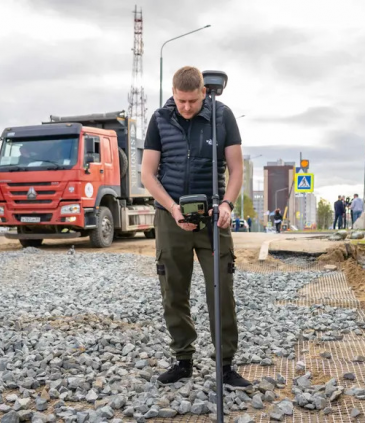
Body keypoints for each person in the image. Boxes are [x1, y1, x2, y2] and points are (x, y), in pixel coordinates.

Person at [140, 66, 251, 389]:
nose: (186, 107)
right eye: (180, 100)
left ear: (204, 91)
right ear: (173, 94)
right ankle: (183, 359)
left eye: (192, 100)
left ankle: (226, 365)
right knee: (173, 291)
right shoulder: (160, 119)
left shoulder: (223, 116)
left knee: (221, 290)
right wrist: (173, 208)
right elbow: (148, 173)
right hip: (170, 216)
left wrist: (228, 203)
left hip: (213, 218)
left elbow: (236, 168)